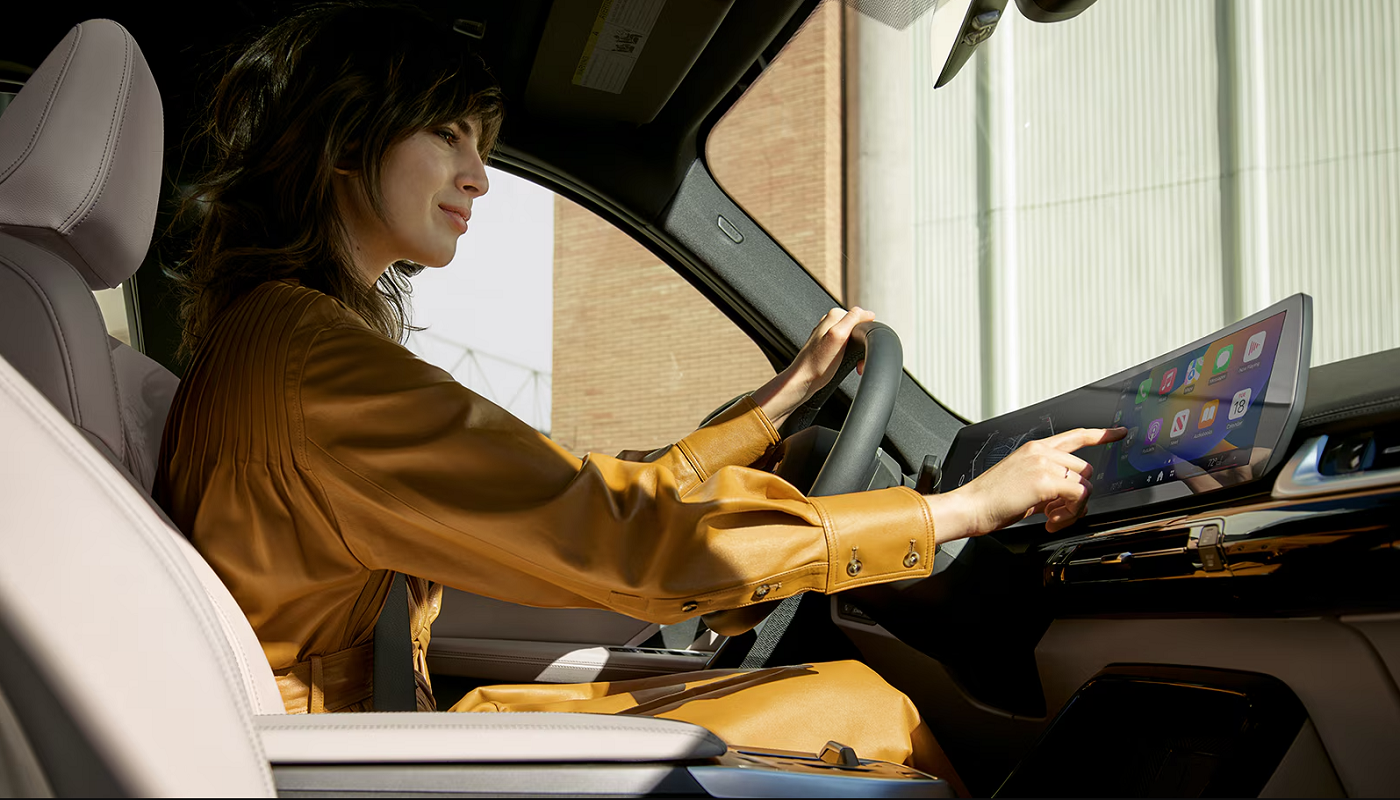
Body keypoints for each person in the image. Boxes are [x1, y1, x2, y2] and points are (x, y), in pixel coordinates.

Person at [154, 1, 1123, 779]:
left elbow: (570, 499)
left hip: (373, 737)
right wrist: (955, 506)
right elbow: (621, 537)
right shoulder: (310, 363)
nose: (478, 177)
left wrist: (767, 414)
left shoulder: (276, 342)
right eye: (447, 136)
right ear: (342, 142)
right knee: (872, 715)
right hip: (351, 761)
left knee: (832, 695)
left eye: (479, 142)